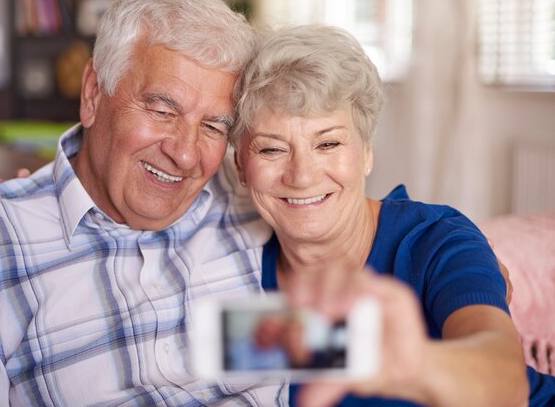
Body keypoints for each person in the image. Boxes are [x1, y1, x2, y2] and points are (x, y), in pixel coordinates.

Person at [0, 0, 288, 405]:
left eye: (213, 126)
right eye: (162, 111)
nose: (186, 153)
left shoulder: (256, 202)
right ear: (93, 95)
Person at [229, 24, 555, 406]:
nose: (301, 176)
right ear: (239, 164)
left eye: (329, 143)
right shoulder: (230, 267)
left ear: (366, 153)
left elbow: (504, 377)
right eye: (271, 150)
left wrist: (417, 366)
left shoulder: (438, 241)